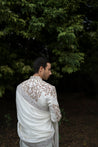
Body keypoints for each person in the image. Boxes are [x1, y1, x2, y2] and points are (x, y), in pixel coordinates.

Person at [16, 57, 62, 147]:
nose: (50, 72)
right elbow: (56, 117)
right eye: (49, 69)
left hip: (26, 137)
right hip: (44, 138)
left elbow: (20, 112)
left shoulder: (19, 88)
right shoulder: (49, 89)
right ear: (41, 69)